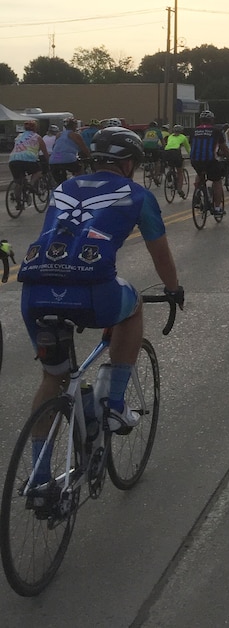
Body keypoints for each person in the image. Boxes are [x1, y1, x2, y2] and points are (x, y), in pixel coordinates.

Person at [18, 127, 183, 451]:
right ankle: (114, 404)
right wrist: (173, 289)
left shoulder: (63, 186)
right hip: (93, 290)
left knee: (54, 377)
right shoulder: (137, 194)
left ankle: (39, 479)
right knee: (132, 305)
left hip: (34, 290)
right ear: (127, 163)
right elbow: (160, 254)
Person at [190, 110, 229, 214]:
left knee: (200, 174)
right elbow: (223, 147)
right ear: (211, 120)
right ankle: (217, 208)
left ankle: (198, 193)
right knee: (217, 182)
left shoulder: (194, 131)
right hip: (210, 160)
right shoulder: (216, 131)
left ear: (200, 120)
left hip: (195, 160)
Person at [9, 119, 49, 204]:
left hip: (13, 159)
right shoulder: (37, 137)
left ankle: (19, 203)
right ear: (35, 128)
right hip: (28, 158)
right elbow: (45, 152)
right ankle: (31, 184)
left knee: (18, 182)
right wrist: (49, 161)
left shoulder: (19, 136)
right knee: (38, 172)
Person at [49, 118, 91, 184]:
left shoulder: (58, 134)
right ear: (74, 126)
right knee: (79, 169)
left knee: (60, 183)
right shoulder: (75, 135)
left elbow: (54, 147)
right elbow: (84, 148)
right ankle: (79, 184)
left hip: (54, 159)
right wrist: (91, 156)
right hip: (68, 158)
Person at [163, 124, 191, 198]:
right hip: (175, 152)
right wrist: (191, 156)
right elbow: (188, 148)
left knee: (171, 164)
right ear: (181, 131)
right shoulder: (183, 137)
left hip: (166, 152)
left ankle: (169, 176)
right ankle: (179, 189)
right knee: (180, 171)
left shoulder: (170, 136)